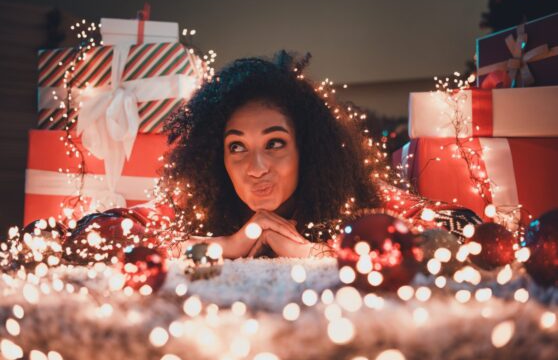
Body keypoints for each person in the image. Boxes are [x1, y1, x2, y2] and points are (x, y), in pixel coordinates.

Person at [148, 51, 481, 260]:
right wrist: (226, 246)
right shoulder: (199, 203)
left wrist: (315, 252)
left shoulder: (359, 198)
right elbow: (104, 230)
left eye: (274, 143)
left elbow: (467, 229)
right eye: (237, 147)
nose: (256, 168)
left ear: (305, 146)